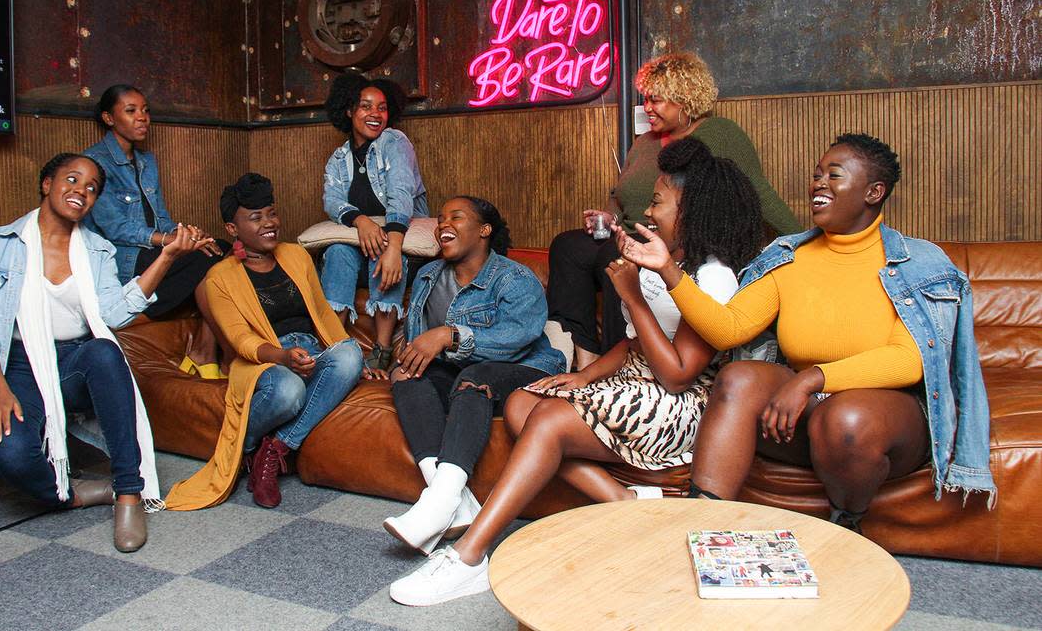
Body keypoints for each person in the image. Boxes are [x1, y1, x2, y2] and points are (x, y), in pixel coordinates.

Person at [387, 142, 765, 606]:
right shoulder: (664, 262)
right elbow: (631, 346)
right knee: (523, 402)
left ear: (690, 211)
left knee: (548, 422)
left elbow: (679, 376)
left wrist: (632, 299)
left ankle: (469, 556)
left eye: (659, 202)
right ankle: (623, 502)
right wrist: (582, 378)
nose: (647, 211)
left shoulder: (713, 277)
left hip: (680, 402)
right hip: (637, 378)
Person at [617, 133, 996, 531]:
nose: (819, 183)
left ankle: (848, 521)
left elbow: (908, 361)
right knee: (739, 376)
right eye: (817, 175)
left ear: (873, 191)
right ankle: (700, 521)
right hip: (803, 411)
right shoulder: (787, 256)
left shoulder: (920, 264)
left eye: (834, 175)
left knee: (845, 417)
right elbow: (728, 330)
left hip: (883, 419)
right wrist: (669, 270)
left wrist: (812, 379)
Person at [0, 153, 211, 552]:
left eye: (91, 189)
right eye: (71, 180)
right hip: (16, 366)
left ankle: (128, 493)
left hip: (75, 360)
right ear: (46, 183)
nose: (81, 192)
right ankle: (72, 492)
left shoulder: (96, 250)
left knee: (105, 350)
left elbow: (114, 313)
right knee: (13, 457)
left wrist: (168, 255)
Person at [546, 51, 799, 369]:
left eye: (657, 100)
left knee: (618, 257)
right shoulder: (645, 143)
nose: (647, 108)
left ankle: (619, 361)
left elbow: (760, 194)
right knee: (567, 246)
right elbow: (621, 192)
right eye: (646, 99)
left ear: (686, 100)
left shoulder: (719, 134)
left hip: (677, 243)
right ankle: (584, 349)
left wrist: (801, 244)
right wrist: (609, 214)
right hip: (629, 231)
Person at [164, 173, 364, 510]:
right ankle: (249, 447)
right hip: (264, 361)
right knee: (288, 391)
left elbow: (322, 312)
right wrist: (283, 356)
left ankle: (274, 449)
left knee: (350, 356)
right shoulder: (220, 278)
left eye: (271, 213)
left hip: (310, 351)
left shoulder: (296, 256)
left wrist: (346, 351)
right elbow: (240, 340)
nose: (268, 223)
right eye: (255, 218)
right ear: (232, 228)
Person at [383, 196, 566, 557]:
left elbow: (517, 339)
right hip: (456, 367)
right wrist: (399, 355)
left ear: (484, 230)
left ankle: (437, 505)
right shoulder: (427, 275)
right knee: (405, 373)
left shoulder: (515, 277)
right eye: (440, 219)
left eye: (456, 217)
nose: (443, 224)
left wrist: (449, 335)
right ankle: (453, 502)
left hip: (524, 366)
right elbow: (418, 338)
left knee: (474, 374)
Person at [84, 84, 230, 379]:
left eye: (146, 111)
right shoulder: (94, 163)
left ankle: (203, 348)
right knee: (203, 260)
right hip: (122, 257)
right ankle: (135, 317)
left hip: (152, 249)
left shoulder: (146, 161)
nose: (142, 118)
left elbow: (161, 217)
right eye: (131, 111)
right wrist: (170, 241)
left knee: (221, 249)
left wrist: (187, 235)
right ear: (109, 118)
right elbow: (115, 228)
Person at [320, 73, 428, 376]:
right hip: (360, 242)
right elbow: (332, 200)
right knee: (338, 251)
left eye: (381, 108)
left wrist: (394, 248)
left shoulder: (394, 141)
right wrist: (361, 220)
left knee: (382, 250)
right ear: (349, 110)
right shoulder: (339, 158)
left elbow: (401, 196)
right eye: (365, 106)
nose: (375, 114)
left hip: (399, 242)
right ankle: (335, 344)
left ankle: (381, 349)